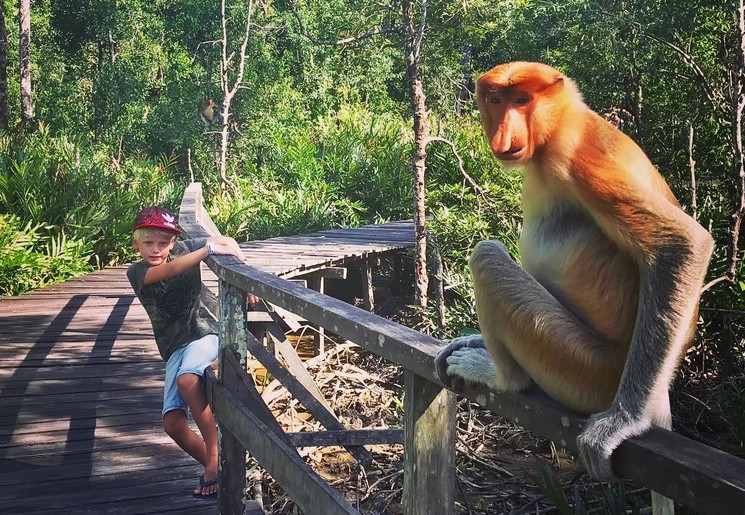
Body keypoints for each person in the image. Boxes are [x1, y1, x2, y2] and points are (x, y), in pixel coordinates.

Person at [126, 205, 242, 499]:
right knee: (172, 423)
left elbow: (227, 241)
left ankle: (215, 459)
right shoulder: (137, 272)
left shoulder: (185, 248)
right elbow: (171, 270)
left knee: (187, 380)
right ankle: (218, 467)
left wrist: (242, 269)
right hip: (175, 344)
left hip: (207, 329)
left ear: (173, 242)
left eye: (163, 243)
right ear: (135, 243)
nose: (156, 249)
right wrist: (207, 250)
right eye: (148, 243)